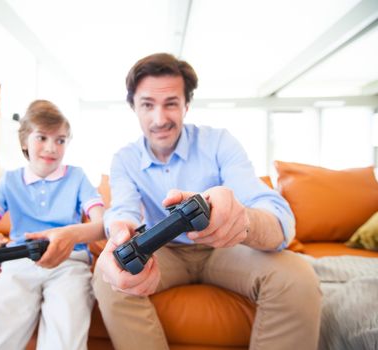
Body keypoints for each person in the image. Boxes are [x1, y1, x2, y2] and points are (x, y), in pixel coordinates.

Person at [92, 53, 322, 350]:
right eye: (147, 105)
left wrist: (244, 220)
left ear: (186, 105)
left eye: (171, 103)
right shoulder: (124, 159)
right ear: (134, 107)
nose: (159, 119)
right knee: (108, 274)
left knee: (297, 277)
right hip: (164, 253)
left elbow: (275, 214)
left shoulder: (219, 143)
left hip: (225, 248)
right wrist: (122, 235)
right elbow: (122, 210)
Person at [0, 100, 105, 350]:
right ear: (25, 140)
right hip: (18, 263)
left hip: (68, 262)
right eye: (42, 138)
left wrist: (69, 234)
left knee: (66, 331)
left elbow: (103, 225)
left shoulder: (77, 177)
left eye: (60, 140)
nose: (51, 147)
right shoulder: (9, 181)